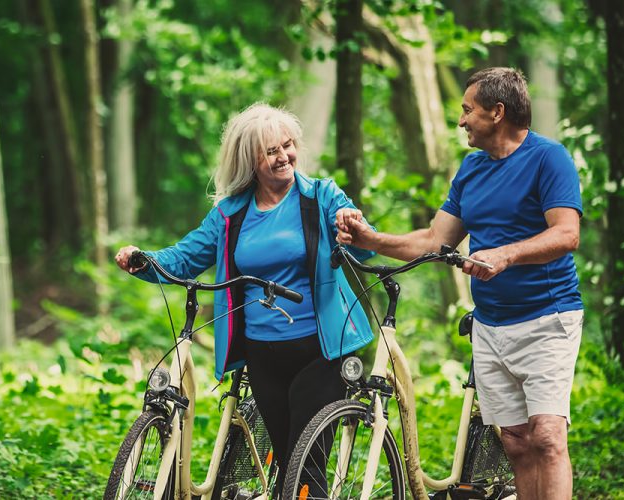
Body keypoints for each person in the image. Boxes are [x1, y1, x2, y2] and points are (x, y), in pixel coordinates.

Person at [336, 67, 583, 499]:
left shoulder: (549, 158)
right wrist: (371, 239)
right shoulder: (471, 170)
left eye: (468, 110)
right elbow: (435, 240)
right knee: (517, 444)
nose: (461, 120)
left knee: (546, 437)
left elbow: (567, 234)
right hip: (491, 326)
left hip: (548, 318)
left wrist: (505, 255)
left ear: (497, 112)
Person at [114, 102, 376, 495]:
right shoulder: (229, 214)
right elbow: (184, 258)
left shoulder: (321, 197)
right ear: (249, 159)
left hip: (321, 351)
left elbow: (365, 245)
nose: (284, 156)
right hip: (261, 353)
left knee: (305, 466)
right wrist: (143, 261)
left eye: (288, 145)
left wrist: (354, 229)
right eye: (271, 151)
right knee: (286, 464)